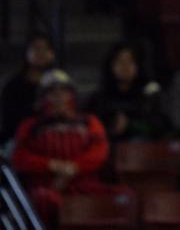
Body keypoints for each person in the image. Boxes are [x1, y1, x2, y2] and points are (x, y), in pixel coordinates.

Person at [11, 70, 114, 227]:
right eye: (52, 92)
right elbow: (19, 157)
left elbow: (100, 152)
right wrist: (51, 165)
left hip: (84, 186)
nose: (59, 97)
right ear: (43, 97)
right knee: (42, 200)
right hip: (46, 187)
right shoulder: (30, 126)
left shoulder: (89, 122)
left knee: (124, 198)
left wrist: (74, 167)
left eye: (64, 92)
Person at [87, 42, 166, 142]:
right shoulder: (99, 97)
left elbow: (160, 127)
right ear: (111, 65)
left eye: (130, 61)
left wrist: (129, 125)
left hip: (142, 149)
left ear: (138, 65)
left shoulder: (150, 93)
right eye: (120, 61)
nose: (125, 66)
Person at [1, 34, 57, 146]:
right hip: (21, 138)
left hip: (54, 136)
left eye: (46, 49)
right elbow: (9, 122)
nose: (41, 53)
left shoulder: (58, 81)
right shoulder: (14, 85)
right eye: (36, 48)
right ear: (26, 52)